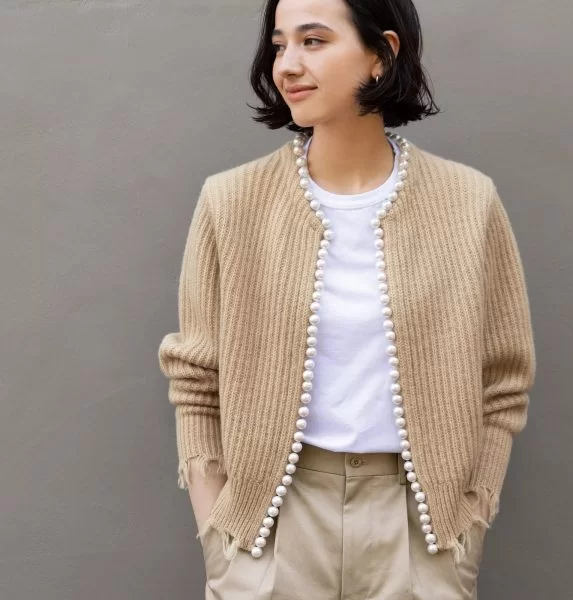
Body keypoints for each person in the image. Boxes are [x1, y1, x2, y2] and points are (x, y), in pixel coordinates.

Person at [157, 0, 537, 598]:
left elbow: (504, 379)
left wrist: (470, 516)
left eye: (313, 40)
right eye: (280, 45)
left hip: (420, 530)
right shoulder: (231, 202)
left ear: (382, 53)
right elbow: (196, 378)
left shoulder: (469, 203)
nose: (287, 64)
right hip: (271, 526)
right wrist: (217, 536)